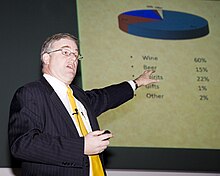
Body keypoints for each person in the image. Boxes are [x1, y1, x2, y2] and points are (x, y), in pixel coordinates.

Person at [8, 33, 159, 176]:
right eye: (66, 52)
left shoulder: (78, 96)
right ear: (46, 58)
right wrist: (81, 147)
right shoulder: (31, 93)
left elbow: (106, 96)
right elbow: (22, 145)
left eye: (75, 55)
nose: (73, 59)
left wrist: (136, 82)